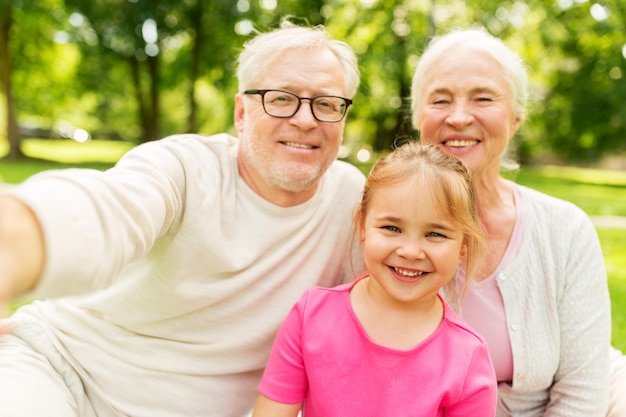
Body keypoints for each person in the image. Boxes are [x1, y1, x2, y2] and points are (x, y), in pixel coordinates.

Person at [0, 19, 365, 417]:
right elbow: (106, 211)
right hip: (57, 368)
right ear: (242, 112)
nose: (306, 119)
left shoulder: (352, 202)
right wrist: (14, 245)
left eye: (327, 103)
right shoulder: (184, 167)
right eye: (282, 98)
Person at [410, 27, 626, 416]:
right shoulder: (385, 229)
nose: (459, 117)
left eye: (483, 98)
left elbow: (582, 392)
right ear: (418, 119)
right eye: (440, 99)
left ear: (515, 119)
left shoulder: (565, 228)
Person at [251, 141, 498, 417]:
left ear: (463, 246)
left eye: (435, 234)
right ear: (362, 225)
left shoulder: (467, 359)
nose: (410, 251)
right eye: (392, 227)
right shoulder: (311, 316)